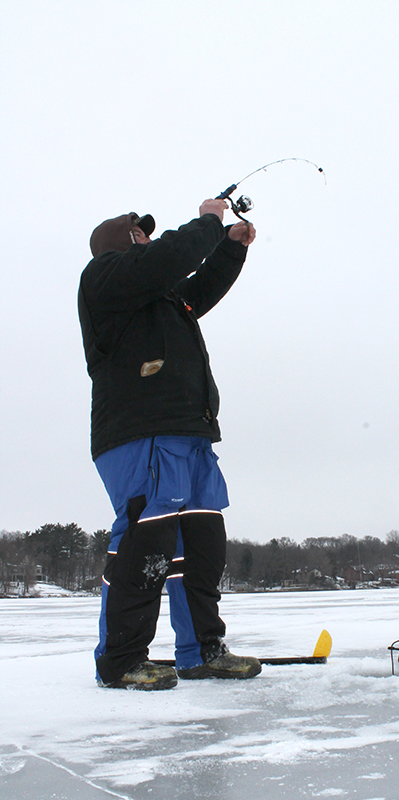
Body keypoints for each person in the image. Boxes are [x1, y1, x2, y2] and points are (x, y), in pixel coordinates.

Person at [78, 200, 261, 690]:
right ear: (117, 245)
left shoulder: (161, 296)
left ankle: (201, 652)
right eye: (138, 233)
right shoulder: (105, 278)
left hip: (191, 434)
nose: (147, 237)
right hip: (140, 435)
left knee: (202, 547)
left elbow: (195, 290)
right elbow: (166, 261)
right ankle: (120, 660)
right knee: (146, 545)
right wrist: (208, 221)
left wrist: (228, 250)